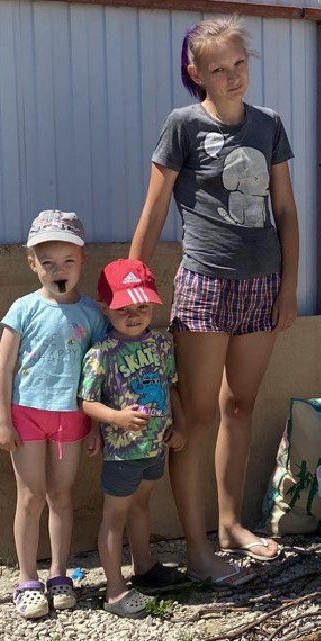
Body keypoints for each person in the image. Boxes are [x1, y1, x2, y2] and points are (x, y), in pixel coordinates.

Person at [129, 16, 300, 585]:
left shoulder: (269, 125)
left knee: (239, 406)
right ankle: (199, 549)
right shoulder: (182, 127)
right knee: (197, 418)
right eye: (219, 68)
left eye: (240, 64)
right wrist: (133, 284)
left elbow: (287, 211)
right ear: (195, 73)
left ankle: (231, 526)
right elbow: (154, 210)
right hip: (204, 286)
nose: (232, 77)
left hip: (262, 287)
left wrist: (289, 288)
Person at [0, 210, 109, 620]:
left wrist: (94, 424)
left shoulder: (93, 315)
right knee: (31, 496)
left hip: (70, 418)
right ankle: (27, 579)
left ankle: (59, 574)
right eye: (48, 262)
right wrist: (2, 421)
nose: (58, 270)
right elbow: (3, 367)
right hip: (26, 416)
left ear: (82, 259)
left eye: (68, 261)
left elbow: (96, 375)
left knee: (61, 495)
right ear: (32, 264)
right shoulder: (23, 308)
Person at [79, 259, 186, 618]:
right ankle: (113, 589)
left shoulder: (161, 344)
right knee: (115, 515)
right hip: (122, 453)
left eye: (141, 306)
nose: (134, 314)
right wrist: (117, 418)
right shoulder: (101, 353)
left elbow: (172, 389)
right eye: (124, 308)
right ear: (105, 309)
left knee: (142, 505)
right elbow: (86, 402)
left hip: (155, 446)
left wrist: (180, 425)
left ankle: (145, 568)